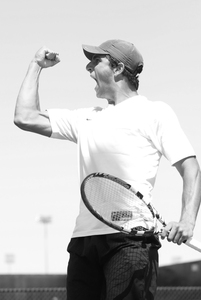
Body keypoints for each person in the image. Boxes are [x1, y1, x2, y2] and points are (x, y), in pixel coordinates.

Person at [14, 39, 201, 300]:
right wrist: (36, 65)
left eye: (96, 60)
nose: (88, 66)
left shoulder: (155, 112)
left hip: (131, 242)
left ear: (118, 68)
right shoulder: (86, 118)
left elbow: (191, 168)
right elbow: (24, 117)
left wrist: (188, 220)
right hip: (83, 242)